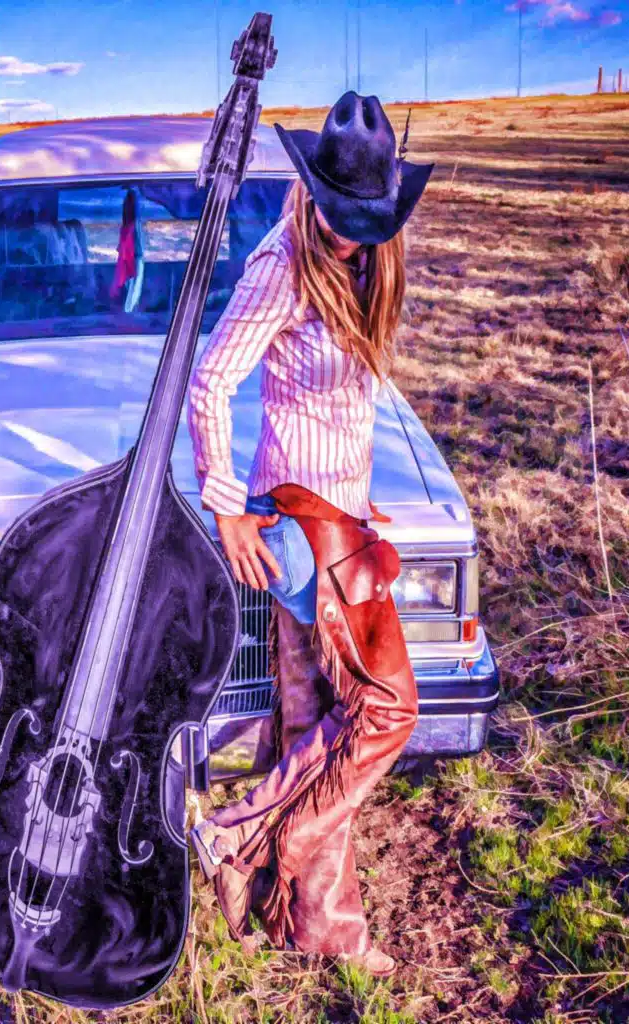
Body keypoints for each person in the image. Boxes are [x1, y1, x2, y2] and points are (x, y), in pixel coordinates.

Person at [185, 91, 435, 977]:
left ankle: (318, 925)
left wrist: (360, 498)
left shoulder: (370, 259)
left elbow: (348, 399)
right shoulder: (281, 266)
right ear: (313, 189)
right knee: (387, 709)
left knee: (314, 722)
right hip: (305, 525)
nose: (348, 233)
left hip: (339, 518)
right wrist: (224, 507)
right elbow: (210, 381)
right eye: (338, 213)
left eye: (365, 220)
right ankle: (240, 833)